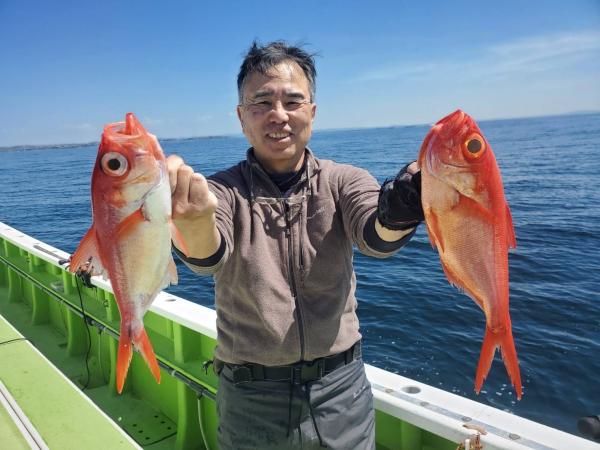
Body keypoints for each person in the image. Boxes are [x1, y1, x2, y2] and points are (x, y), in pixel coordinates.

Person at [167, 41, 424, 450]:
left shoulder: (344, 180)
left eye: (292, 101)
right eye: (262, 102)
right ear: (242, 117)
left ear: (312, 113)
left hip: (341, 389)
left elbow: (377, 239)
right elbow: (205, 257)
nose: (279, 115)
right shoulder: (221, 191)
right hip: (250, 396)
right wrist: (193, 221)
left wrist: (401, 210)